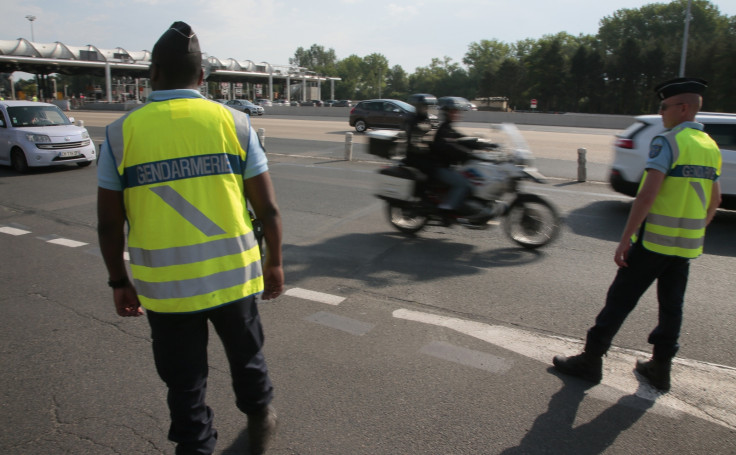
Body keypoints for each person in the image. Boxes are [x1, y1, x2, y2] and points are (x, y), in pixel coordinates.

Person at [97, 21, 283, 455]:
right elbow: (268, 208)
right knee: (247, 357)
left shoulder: (121, 134)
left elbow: (109, 223)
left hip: (166, 289)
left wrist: (118, 281)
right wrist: (274, 261)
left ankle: (196, 445)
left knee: (184, 381)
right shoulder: (236, 124)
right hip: (233, 278)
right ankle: (259, 414)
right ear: (202, 78)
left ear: (153, 73)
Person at [552, 77, 722, 392]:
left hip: (654, 242)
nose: (661, 114)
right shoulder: (710, 146)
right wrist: (697, 227)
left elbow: (647, 196)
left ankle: (591, 359)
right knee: (672, 306)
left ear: (682, 108)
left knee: (620, 300)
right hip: (685, 248)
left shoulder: (668, 142)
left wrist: (626, 239)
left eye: (664, 107)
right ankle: (660, 367)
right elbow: (715, 201)